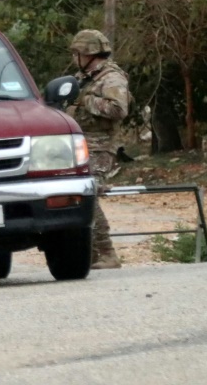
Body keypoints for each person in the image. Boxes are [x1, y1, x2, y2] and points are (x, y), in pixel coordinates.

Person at [66, 30, 131, 270]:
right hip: (78, 145)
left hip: (101, 146)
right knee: (73, 193)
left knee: (88, 192)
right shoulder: (84, 78)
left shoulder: (111, 78)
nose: (74, 58)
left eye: (76, 53)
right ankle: (91, 253)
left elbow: (118, 109)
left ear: (88, 54)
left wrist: (86, 100)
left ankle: (107, 252)